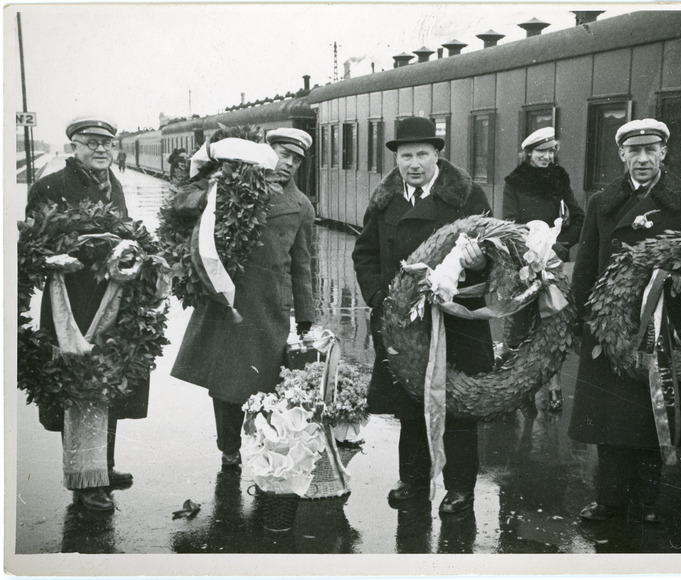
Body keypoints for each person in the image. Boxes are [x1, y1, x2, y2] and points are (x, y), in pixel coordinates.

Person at [568, 119, 681, 524]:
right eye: (635, 151)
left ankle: (647, 500)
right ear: (622, 154)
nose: (642, 159)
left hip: (659, 325)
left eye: (651, 150)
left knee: (652, 411)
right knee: (611, 417)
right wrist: (583, 319)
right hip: (610, 326)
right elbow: (587, 267)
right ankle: (609, 498)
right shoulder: (601, 202)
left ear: (664, 153)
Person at [352, 116, 493, 516]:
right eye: (406, 156)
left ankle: (460, 487)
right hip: (403, 323)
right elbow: (365, 253)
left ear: (437, 155)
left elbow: (496, 253)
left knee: (458, 401)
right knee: (411, 401)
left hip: (456, 317)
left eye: (422, 154)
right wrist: (381, 296)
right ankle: (412, 480)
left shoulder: (468, 197)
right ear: (397, 159)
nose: (414, 164)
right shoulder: (384, 202)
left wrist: (477, 262)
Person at [171, 127, 316, 469]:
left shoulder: (301, 206)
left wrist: (307, 315)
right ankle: (229, 448)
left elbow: (304, 262)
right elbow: (183, 206)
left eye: (296, 159)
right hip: (229, 300)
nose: (289, 164)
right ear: (267, 151)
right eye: (284, 153)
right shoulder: (232, 184)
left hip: (269, 307)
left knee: (264, 383)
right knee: (226, 382)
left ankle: (261, 447)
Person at [27, 115, 147, 511]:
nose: (100, 149)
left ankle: (103, 467)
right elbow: (30, 245)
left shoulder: (114, 187)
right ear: (73, 147)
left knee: (107, 381)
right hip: (72, 303)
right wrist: (51, 257)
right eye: (91, 142)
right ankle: (85, 483)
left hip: (111, 298)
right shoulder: (49, 187)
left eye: (106, 143)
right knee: (79, 383)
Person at [502, 126, 585, 411]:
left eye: (551, 151)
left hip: (554, 263)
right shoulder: (513, 182)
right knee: (521, 326)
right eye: (541, 152)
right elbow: (509, 222)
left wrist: (561, 247)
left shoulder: (559, 179)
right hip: (523, 263)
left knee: (554, 324)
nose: (547, 157)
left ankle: (553, 385)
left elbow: (578, 217)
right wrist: (529, 250)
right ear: (528, 154)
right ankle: (522, 388)